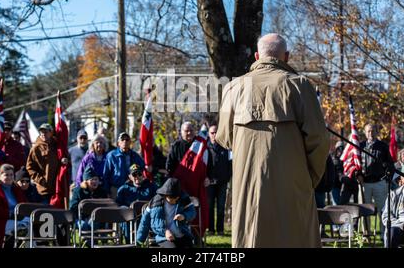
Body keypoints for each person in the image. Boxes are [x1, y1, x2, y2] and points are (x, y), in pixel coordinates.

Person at [216, 33, 329, 247]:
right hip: (293, 186)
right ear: (286, 57)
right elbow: (319, 139)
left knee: (251, 237)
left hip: (248, 183)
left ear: (257, 56)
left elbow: (224, 137)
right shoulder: (300, 85)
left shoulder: (233, 88)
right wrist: (308, 178)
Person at [136, 178, 196, 248]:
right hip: (164, 237)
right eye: (172, 198)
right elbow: (145, 221)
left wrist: (184, 216)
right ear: (165, 195)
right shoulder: (155, 202)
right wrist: (140, 240)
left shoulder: (184, 198)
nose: (175, 200)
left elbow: (192, 212)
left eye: (177, 198)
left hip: (182, 234)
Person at [359, 123, 394, 234]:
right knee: (364, 210)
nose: (371, 133)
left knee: (382, 210)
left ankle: (384, 234)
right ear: (365, 132)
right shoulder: (360, 146)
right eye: (368, 131)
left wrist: (387, 179)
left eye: (373, 130)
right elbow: (356, 163)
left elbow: (390, 164)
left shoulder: (383, 146)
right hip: (365, 183)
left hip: (380, 182)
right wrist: (357, 175)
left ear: (377, 132)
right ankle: (366, 234)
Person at [0, 164, 27, 248]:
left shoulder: (16, 189)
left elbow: (24, 204)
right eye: (6, 175)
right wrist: (10, 214)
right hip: (1, 221)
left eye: (11, 175)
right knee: (26, 227)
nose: (9, 177)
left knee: (34, 224)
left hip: (19, 218)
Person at [26, 123, 67, 204]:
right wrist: (41, 180)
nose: (43, 134)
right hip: (43, 189)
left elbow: (64, 157)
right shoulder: (35, 148)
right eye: (41, 132)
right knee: (45, 213)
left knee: (57, 213)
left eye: (45, 132)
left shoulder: (58, 145)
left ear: (51, 133)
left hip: (57, 187)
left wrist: (65, 160)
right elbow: (29, 168)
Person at [116, 163, 157, 243]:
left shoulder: (152, 187)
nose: (137, 177)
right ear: (130, 177)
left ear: (143, 175)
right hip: (129, 219)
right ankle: (129, 243)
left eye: (139, 174)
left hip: (147, 217)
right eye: (134, 174)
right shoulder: (124, 189)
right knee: (124, 211)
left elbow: (157, 201)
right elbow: (118, 205)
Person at [102, 132, 145, 199]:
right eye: (122, 139)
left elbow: (142, 170)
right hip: (115, 189)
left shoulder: (135, 156)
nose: (125, 141)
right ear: (118, 143)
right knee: (116, 208)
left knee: (130, 208)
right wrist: (107, 191)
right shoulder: (111, 155)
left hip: (131, 188)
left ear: (130, 142)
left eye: (127, 139)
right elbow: (106, 175)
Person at [206, 124, 231, 235]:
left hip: (222, 183)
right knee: (210, 207)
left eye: (216, 132)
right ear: (208, 134)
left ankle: (220, 230)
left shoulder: (226, 148)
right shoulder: (205, 148)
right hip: (209, 183)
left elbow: (231, 165)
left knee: (221, 207)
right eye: (212, 132)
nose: (214, 134)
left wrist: (227, 178)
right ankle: (211, 230)